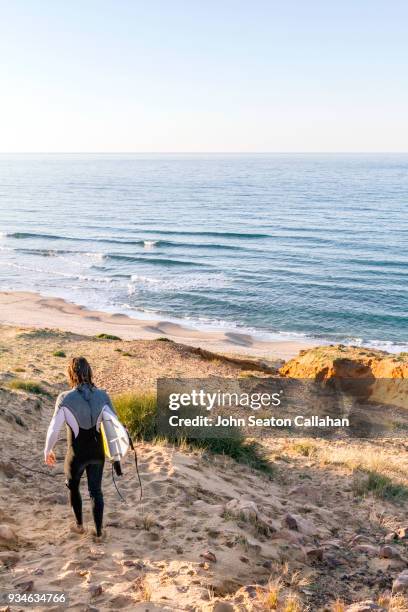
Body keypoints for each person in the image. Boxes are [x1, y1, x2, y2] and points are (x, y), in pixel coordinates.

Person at [44, 356, 117, 540]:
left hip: (76, 454)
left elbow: (54, 427)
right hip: (97, 453)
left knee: (73, 487)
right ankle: (99, 533)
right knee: (96, 491)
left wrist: (48, 450)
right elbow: (113, 426)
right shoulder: (103, 396)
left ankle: (79, 526)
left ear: (71, 373)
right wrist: (116, 455)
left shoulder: (64, 398)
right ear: (89, 372)